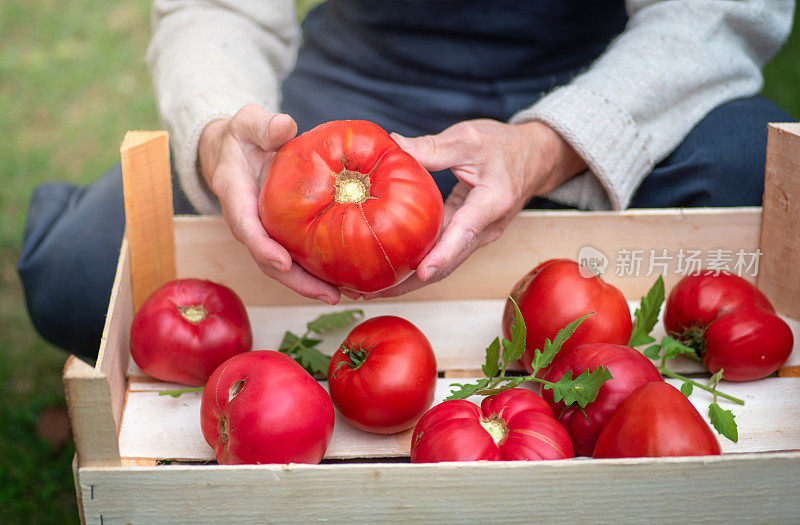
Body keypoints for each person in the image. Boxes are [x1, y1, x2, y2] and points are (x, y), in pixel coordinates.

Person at [18, 0, 795, 359]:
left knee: (760, 178)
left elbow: (718, 8)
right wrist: (223, 126)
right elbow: (216, 7)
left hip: (607, 80)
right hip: (347, 97)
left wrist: (555, 143)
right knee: (82, 271)